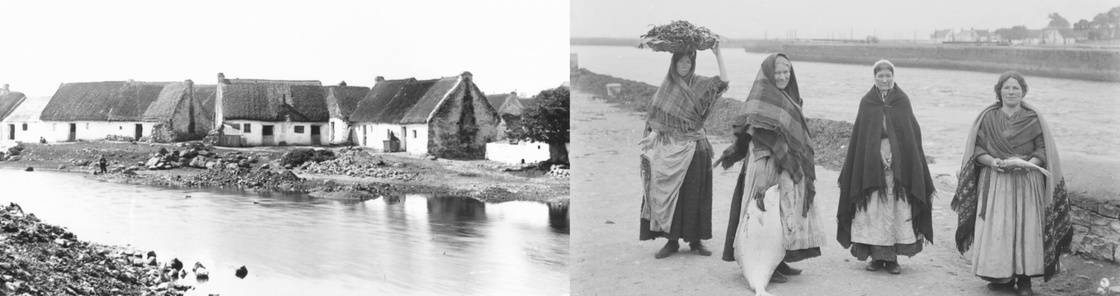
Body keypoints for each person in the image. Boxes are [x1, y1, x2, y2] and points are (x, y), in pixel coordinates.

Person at [951, 71, 1072, 296]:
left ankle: (1025, 280)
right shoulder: (987, 118)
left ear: (1023, 91)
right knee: (999, 228)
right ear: (999, 91)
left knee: (1027, 227)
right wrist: (992, 161)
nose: (1011, 92)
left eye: (1016, 88)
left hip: (1027, 181)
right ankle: (1003, 277)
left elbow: (1043, 149)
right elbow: (976, 150)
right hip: (996, 180)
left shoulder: (1033, 118)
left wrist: (1030, 164)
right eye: (1006, 87)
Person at [715, 53, 825, 283]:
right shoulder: (763, 97)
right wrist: (763, 175)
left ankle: (779, 260)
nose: (783, 76)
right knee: (765, 214)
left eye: (787, 72)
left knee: (783, 213)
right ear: (768, 73)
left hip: (784, 164)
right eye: (778, 73)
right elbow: (758, 136)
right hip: (765, 163)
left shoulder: (787, 96)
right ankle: (765, 265)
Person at [836, 60, 935, 275]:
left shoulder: (902, 100)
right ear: (874, 78)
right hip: (872, 169)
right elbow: (861, 138)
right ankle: (874, 257)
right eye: (880, 76)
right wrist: (877, 156)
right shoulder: (867, 102)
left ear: (893, 77)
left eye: (888, 76)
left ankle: (892, 259)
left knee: (895, 211)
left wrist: (897, 158)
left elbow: (910, 135)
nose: (884, 80)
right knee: (873, 212)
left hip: (898, 171)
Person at [639, 44, 729, 259]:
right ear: (674, 63)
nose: (684, 66)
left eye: (688, 62)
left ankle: (695, 240)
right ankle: (671, 242)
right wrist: (652, 135)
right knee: (672, 193)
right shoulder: (667, 87)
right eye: (681, 62)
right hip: (671, 148)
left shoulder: (699, 84)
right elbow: (657, 118)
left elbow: (724, 83)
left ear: (693, 63)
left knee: (695, 195)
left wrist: (718, 54)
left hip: (697, 147)